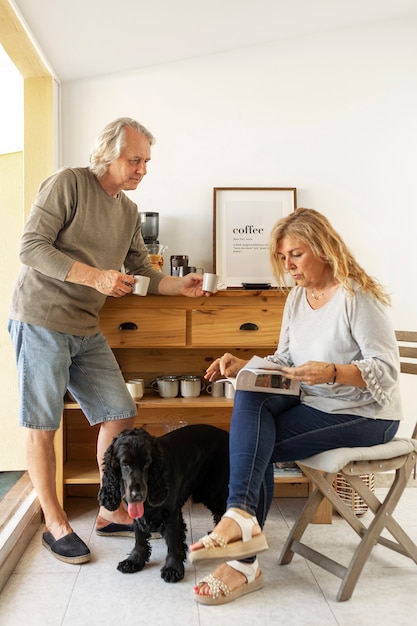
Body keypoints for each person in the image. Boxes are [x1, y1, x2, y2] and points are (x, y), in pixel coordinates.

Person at [8, 117, 210, 565]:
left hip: (84, 326)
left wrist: (182, 286)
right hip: (41, 318)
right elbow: (31, 247)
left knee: (120, 410)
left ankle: (107, 510)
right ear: (107, 155)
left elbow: (143, 270)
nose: (142, 169)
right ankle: (54, 523)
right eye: (134, 159)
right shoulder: (69, 185)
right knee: (43, 425)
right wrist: (96, 276)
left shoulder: (127, 211)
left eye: (146, 161)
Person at [189, 207, 402, 605]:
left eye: (296, 255)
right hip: (315, 401)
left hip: (367, 414)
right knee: (251, 396)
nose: (288, 266)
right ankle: (241, 518)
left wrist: (335, 372)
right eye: (283, 258)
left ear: (323, 248)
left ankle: (243, 560)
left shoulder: (357, 296)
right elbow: (285, 360)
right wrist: (244, 365)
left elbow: (387, 372)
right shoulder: (297, 299)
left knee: (254, 446)